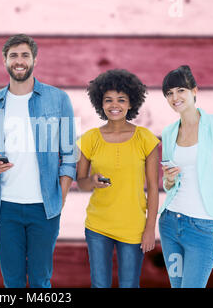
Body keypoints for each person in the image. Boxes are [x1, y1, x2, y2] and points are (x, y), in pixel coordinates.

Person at [0, 34, 76, 288]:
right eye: (13, 56)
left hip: (44, 208)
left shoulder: (58, 99)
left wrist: (61, 197)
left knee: (40, 280)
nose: (19, 61)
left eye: (25, 55)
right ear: (4, 61)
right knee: (12, 282)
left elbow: (68, 155)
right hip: (7, 208)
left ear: (34, 59)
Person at [159, 65, 213, 288]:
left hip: (204, 228)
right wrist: (168, 179)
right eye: (169, 93)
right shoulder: (168, 133)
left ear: (194, 91)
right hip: (170, 224)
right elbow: (170, 185)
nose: (175, 97)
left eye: (180, 90)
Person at [76, 69, 159, 288]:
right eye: (109, 100)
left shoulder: (145, 139)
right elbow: (81, 183)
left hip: (133, 226)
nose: (115, 105)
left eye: (121, 100)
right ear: (100, 103)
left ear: (131, 103)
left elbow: (153, 187)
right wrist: (92, 181)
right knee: (100, 285)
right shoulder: (89, 139)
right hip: (98, 226)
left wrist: (150, 228)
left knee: (129, 285)